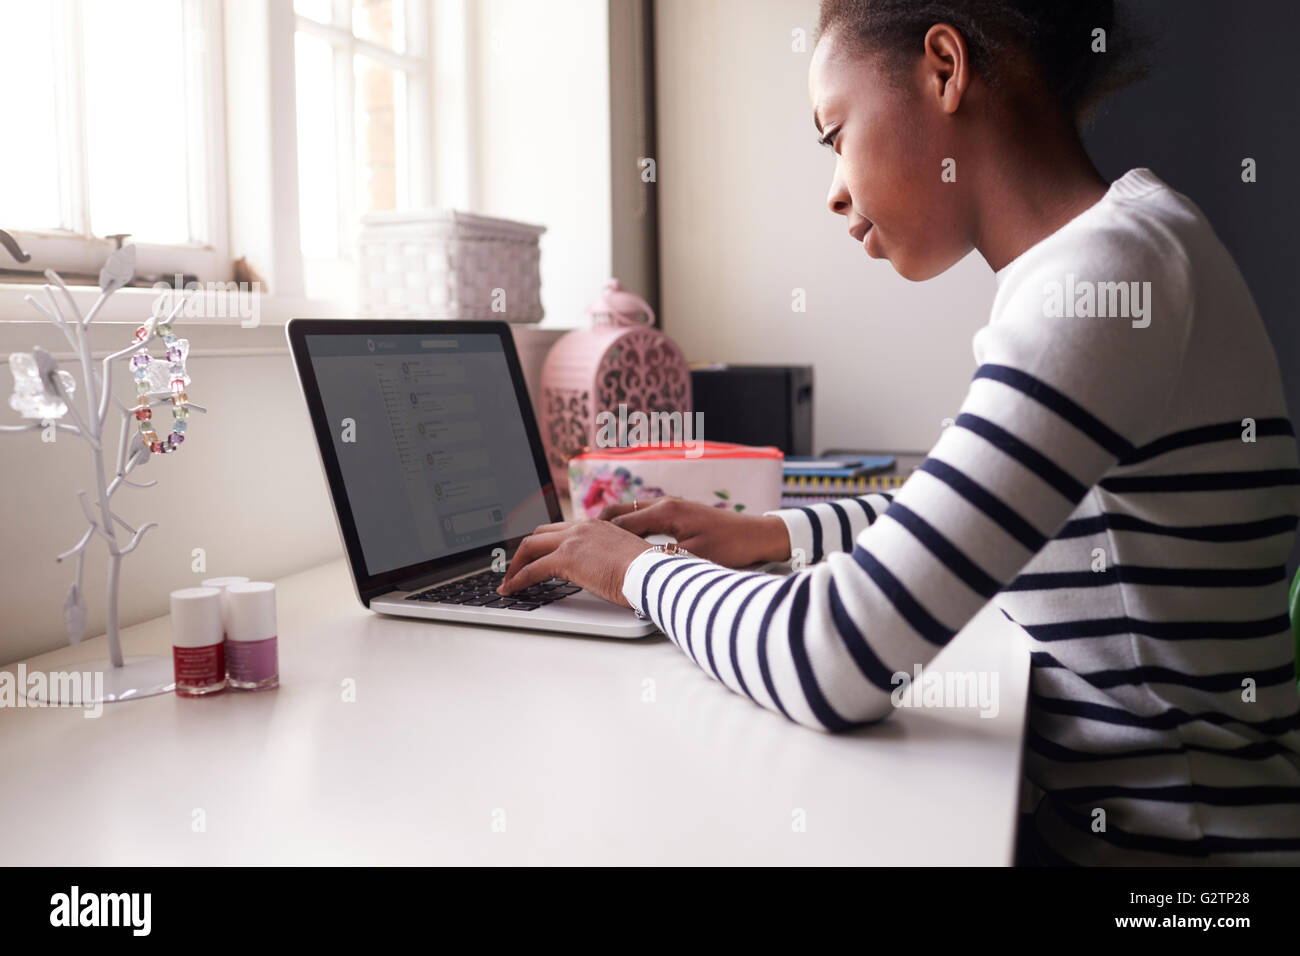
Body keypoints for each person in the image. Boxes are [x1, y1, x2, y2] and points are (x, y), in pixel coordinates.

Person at [498, 0, 1300, 865]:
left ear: (945, 69)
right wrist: (771, 532)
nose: (836, 189)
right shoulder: (1123, 251)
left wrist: (636, 572)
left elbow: (833, 657)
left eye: (834, 133)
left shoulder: (1105, 278)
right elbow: (972, 511)